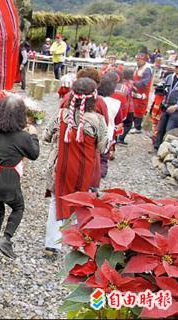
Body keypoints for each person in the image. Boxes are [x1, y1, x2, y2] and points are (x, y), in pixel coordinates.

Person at [42, 77, 108, 256]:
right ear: (94, 97)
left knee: (57, 202)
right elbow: (103, 147)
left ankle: (51, 245)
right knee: (80, 204)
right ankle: (75, 244)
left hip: (60, 167)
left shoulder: (61, 115)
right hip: (84, 169)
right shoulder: (98, 120)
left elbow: (46, 137)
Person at [0, 95, 39, 264]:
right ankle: (6, 239)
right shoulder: (23, 137)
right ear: (21, 115)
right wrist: (33, 135)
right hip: (8, 182)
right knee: (18, 207)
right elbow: (34, 154)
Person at [153, 59, 178, 151]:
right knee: (160, 128)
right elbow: (163, 87)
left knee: (170, 129)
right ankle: (157, 147)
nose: (175, 68)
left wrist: (177, 106)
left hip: (176, 109)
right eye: (175, 66)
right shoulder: (170, 77)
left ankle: (166, 150)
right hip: (166, 105)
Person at [97, 74, 121, 178]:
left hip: (94, 131)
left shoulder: (94, 100)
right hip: (108, 132)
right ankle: (101, 172)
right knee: (104, 155)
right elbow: (119, 119)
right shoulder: (116, 103)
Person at [129, 54, 153, 135]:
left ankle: (137, 127)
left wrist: (134, 83)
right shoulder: (137, 68)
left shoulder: (147, 69)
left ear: (143, 60)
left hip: (142, 92)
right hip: (136, 90)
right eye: (137, 60)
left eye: (139, 60)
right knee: (134, 107)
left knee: (140, 109)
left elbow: (144, 82)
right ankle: (134, 124)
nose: (137, 62)